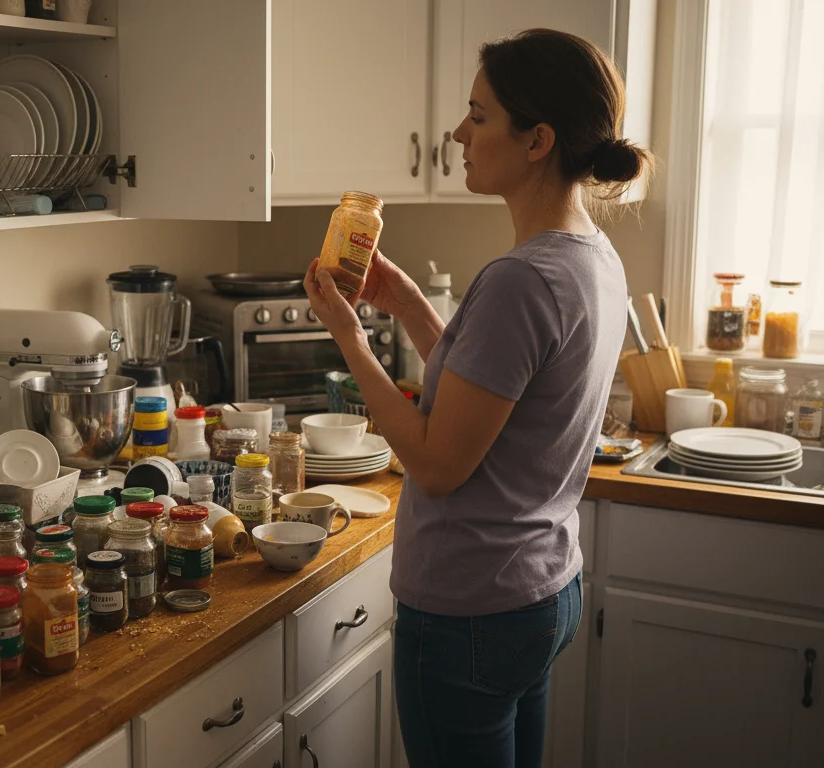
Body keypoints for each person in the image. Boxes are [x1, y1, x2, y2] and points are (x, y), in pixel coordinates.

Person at [304, 28, 653, 768]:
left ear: (537, 141)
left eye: (478, 115)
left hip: (470, 613)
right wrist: (403, 304)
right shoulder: (591, 256)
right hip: (542, 589)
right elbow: (489, 396)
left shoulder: (521, 280)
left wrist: (349, 338)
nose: (458, 133)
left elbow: (436, 462)